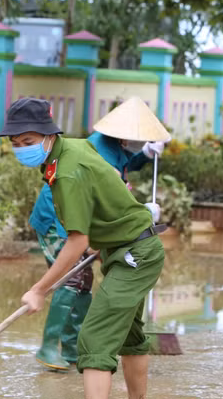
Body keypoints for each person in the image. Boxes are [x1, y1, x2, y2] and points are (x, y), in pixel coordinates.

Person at [0, 98, 165, 399]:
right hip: (124, 251)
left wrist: (39, 289)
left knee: (95, 336)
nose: (21, 150)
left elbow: (77, 240)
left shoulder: (68, 170)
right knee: (131, 333)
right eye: (15, 144)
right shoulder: (67, 151)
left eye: (27, 142)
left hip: (135, 255)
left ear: (47, 134)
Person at [30, 96, 167, 372]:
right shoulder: (99, 149)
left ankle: (72, 348)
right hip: (60, 221)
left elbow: (125, 163)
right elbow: (109, 191)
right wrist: (142, 209)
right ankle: (48, 346)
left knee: (83, 283)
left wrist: (145, 155)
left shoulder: (115, 143)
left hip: (83, 223)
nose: (137, 142)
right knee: (71, 279)